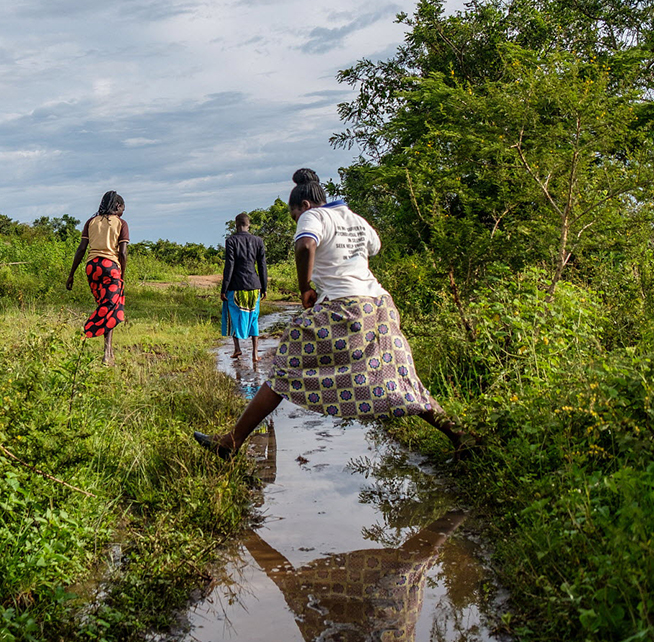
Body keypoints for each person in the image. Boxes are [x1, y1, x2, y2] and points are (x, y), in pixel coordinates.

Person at [194, 169, 476, 458]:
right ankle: (462, 436)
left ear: (303, 206)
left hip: (346, 308)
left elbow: (305, 244)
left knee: (284, 369)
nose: (297, 222)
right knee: (403, 379)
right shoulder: (356, 219)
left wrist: (305, 287)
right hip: (381, 307)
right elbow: (374, 249)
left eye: (293, 217)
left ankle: (231, 442)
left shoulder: (313, 215)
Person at [66, 191, 129, 365]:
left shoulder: (91, 222)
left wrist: (71, 274)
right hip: (110, 268)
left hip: (92, 267)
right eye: (123, 208)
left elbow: (81, 249)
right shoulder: (121, 223)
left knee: (105, 306)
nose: (123, 212)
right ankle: (100, 346)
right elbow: (122, 253)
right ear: (117, 206)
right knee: (110, 308)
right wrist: (122, 275)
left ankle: (109, 352)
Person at [221, 212, 268, 364]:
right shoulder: (258, 241)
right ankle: (255, 353)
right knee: (253, 317)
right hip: (254, 286)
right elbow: (262, 266)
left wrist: (223, 289)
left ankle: (237, 349)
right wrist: (264, 287)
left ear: (236, 225)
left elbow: (230, 266)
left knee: (235, 316)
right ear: (249, 225)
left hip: (236, 286)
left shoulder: (231, 241)